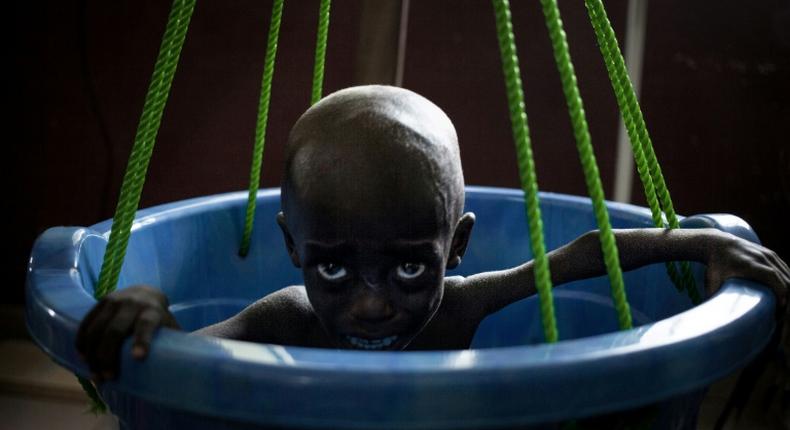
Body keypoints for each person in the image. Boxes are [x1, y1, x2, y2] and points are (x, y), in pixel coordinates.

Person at [76, 85, 789, 380]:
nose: (372, 303)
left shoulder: (461, 304)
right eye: (333, 269)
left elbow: (573, 257)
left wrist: (694, 241)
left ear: (457, 246)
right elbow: (168, 363)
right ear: (292, 248)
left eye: (411, 269)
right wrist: (145, 308)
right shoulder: (284, 319)